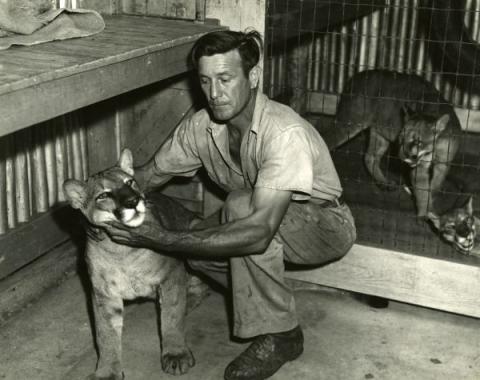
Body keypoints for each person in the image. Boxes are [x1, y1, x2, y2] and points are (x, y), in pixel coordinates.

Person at [102, 29, 357, 380]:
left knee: (235, 209)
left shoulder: (283, 132)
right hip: (261, 220)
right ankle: (262, 293)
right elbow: (148, 175)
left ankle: (281, 334)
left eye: (225, 78)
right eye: (205, 81)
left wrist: (159, 238)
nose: (214, 93)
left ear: (252, 77)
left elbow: (258, 231)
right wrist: (101, 197)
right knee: (193, 240)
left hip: (325, 225)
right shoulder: (201, 126)